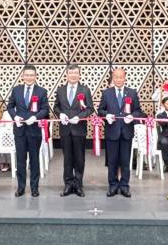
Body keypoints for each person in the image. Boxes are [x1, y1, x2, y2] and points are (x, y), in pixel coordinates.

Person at [97, 67, 143, 198]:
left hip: (126, 132)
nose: (118, 79)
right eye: (116, 77)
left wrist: (132, 116)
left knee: (125, 161)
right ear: (113, 78)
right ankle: (112, 185)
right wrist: (106, 115)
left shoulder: (132, 93)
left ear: (125, 78)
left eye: (121, 77)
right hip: (112, 131)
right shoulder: (106, 93)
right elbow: (100, 110)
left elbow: (138, 111)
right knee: (112, 161)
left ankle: (124, 186)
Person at [7, 64, 50, 198]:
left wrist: (35, 117)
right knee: (20, 160)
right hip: (19, 130)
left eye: (32, 75)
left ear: (36, 76)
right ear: (22, 76)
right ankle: (20, 187)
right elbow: (10, 107)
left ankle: (34, 188)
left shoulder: (42, 91)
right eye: (27, 75)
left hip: (34, 130)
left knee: (34, 160)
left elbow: (45, 109)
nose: (29, 77)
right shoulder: (16, 90)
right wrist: (15, 117)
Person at [53, 64, 94, 197]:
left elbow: (90, 108)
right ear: (66, 75)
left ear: (79, 75)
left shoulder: (85, 90)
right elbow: (56, 107)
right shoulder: (60, 90)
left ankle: (78, 184)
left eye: (76, 73)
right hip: (65, 129)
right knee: (67, 159)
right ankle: (68, 184)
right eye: (71, 73)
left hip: (79, 129)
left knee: (79, 159)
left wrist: (79, 117)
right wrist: (60, 114)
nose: (73, 75)